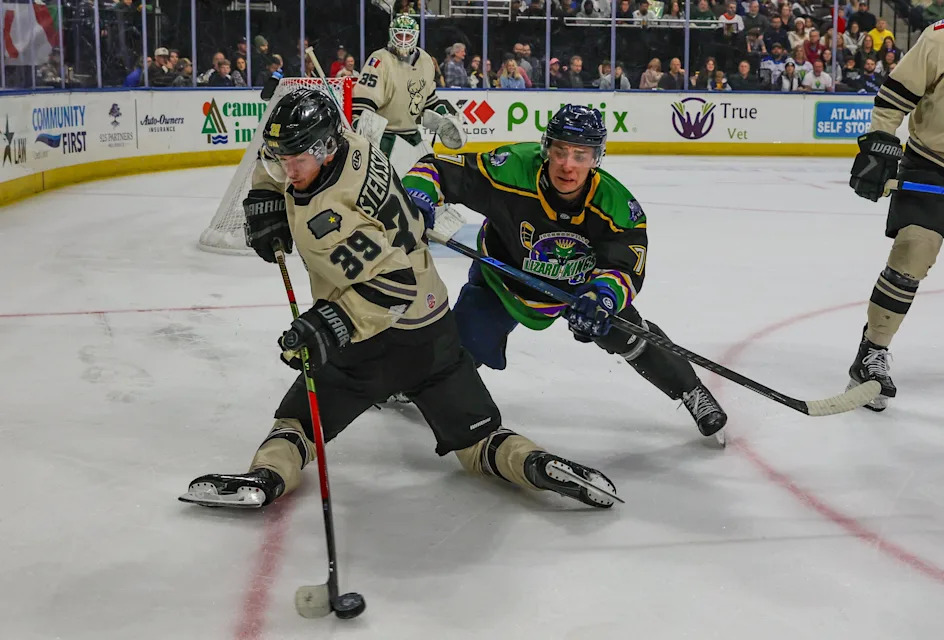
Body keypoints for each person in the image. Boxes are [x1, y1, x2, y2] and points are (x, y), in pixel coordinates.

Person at [179, 90, 619, 510]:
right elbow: (279, 156)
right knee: (480, 441)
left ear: (326, 147)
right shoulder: (353, 141)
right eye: (285, 161)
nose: (290, 171)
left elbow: (391, 286)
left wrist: (328, 324)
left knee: (297, 427)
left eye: (298, 161)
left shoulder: (328, 219)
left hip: (371, 342)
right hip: (435, 332)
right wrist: (264, 193)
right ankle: (533, 464)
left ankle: (268, 476)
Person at [402, 105, 728, 439]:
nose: (568, 165)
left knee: (627, 333)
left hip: (577, 291)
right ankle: (414, 382)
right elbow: (438, 169)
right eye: (559, 152)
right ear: (546, 148)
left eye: (580, 155)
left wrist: (601, 296)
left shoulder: (616, 206)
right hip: (504, 281)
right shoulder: (511, 168)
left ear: (596, 158)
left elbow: (625, 267)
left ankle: (690, 390)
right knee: (466, 343)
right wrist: (418, 195)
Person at [846, 15, 944, 410]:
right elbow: (895, 95)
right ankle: (871, 353)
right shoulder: (943, 40)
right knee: (913, 251)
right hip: (935, 159)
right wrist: (879, 145)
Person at [351, 15, 465, 172]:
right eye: (399, 35)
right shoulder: (379, 60)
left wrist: (444, 116)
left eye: (408, 35)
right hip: (385, 136)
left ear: (415, 37)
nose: (403, 40)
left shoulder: (425, 60)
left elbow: (429, 99)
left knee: (429, 174)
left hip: (412, 134)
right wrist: (359, 124)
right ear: (392, 35)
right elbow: (363, 102)